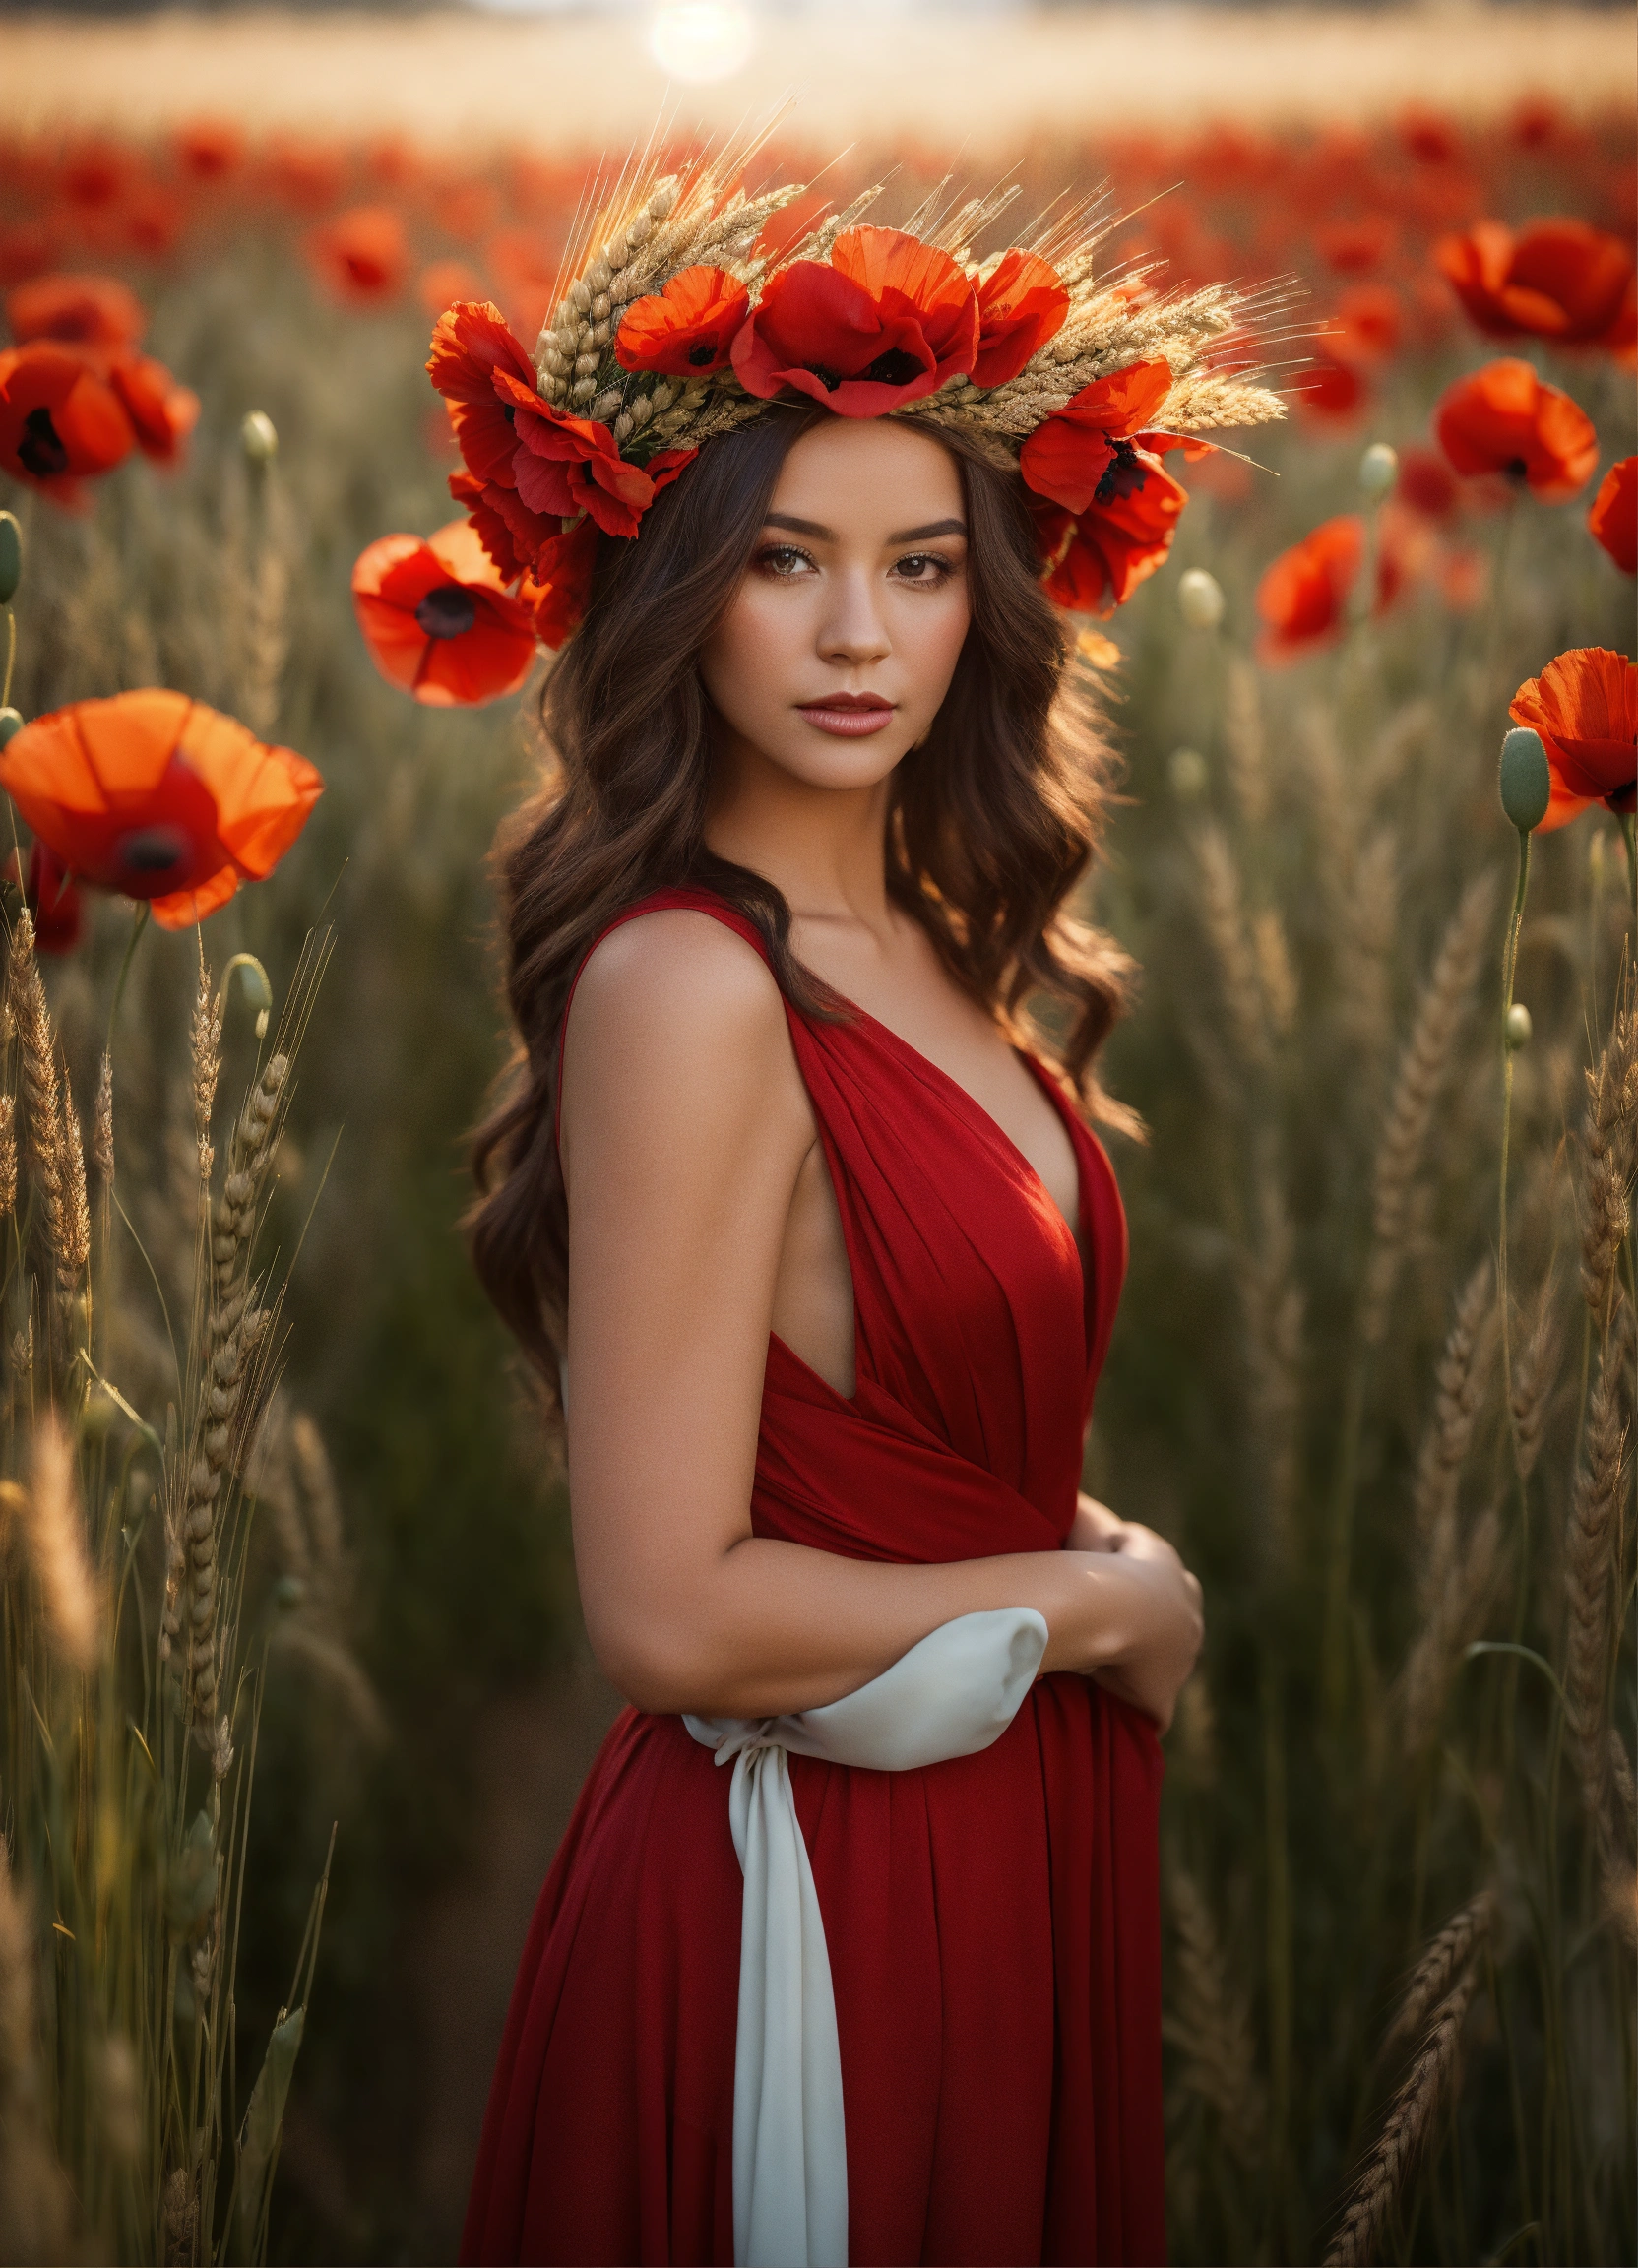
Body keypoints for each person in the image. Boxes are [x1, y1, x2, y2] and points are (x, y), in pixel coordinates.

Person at [439, 150, 1285, 2267]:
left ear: (987, 597)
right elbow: (663, 1610)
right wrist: (1103, 1608)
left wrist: (1060, 1557)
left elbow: (933, 1442)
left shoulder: (927, 927)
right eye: (786, 562)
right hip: (810, 1892)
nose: (853, 636)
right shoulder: (684, 984)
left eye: (919, 569)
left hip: (1001, 1825)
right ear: (674, 587)